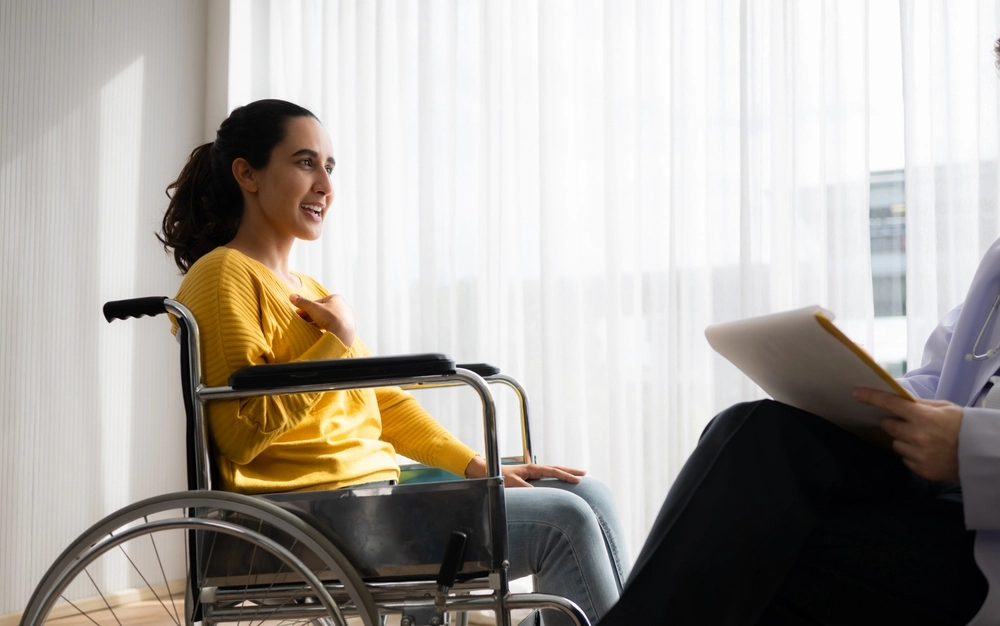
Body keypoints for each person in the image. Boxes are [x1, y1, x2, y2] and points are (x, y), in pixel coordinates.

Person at [157, 99, 627, 626]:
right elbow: (240, 433)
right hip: (312, 516)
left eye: (329, 168)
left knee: (588, 494)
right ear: (247, 173)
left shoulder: (311, 291)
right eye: (305, 162)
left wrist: (479, 466)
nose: (326, 187)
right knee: (566, 523)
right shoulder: (222, 274)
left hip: (373, 495)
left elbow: (380, 402)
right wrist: (338, 338)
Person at [596, 47, 1000, 626]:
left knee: (759, 548)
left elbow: (966, 425)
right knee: (758, 432)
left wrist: (969, 448)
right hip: (947, 509)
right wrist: (860, 392)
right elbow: (945, 374)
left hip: (980, 533)